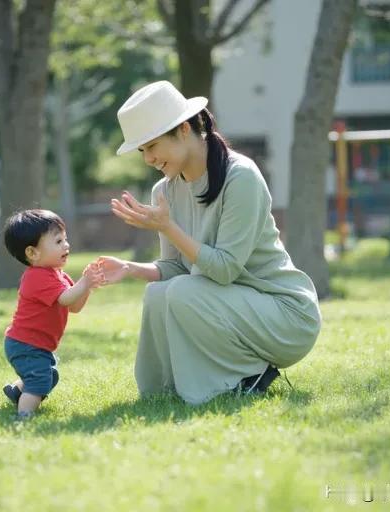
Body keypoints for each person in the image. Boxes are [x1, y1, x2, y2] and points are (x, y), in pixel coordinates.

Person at [98, 80, 321, 405]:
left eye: (152, 145)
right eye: (142, 150)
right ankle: (163, 392)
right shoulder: (165, 190)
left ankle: (250, 373)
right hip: (235, 307)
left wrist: (168, 226)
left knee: (184, 291)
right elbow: (176, 267)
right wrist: (130, 268)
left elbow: (225, 269)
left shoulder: (241, 177)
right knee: (158, 293)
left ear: (184, 129)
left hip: (285, 315)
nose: (147, 158)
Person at [2, 209, 104, 418]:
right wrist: (84, 282)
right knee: (40, 381)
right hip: (25, 344)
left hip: (35, 344)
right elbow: (65, 298)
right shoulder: (36, 277)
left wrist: (88, 288)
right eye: (58, 241)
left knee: (50, 376)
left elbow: (73, 306)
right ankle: (24, 416)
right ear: (33, 253)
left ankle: (17, 390)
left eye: (65, 239)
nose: (66, 245)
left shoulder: (59, 275)